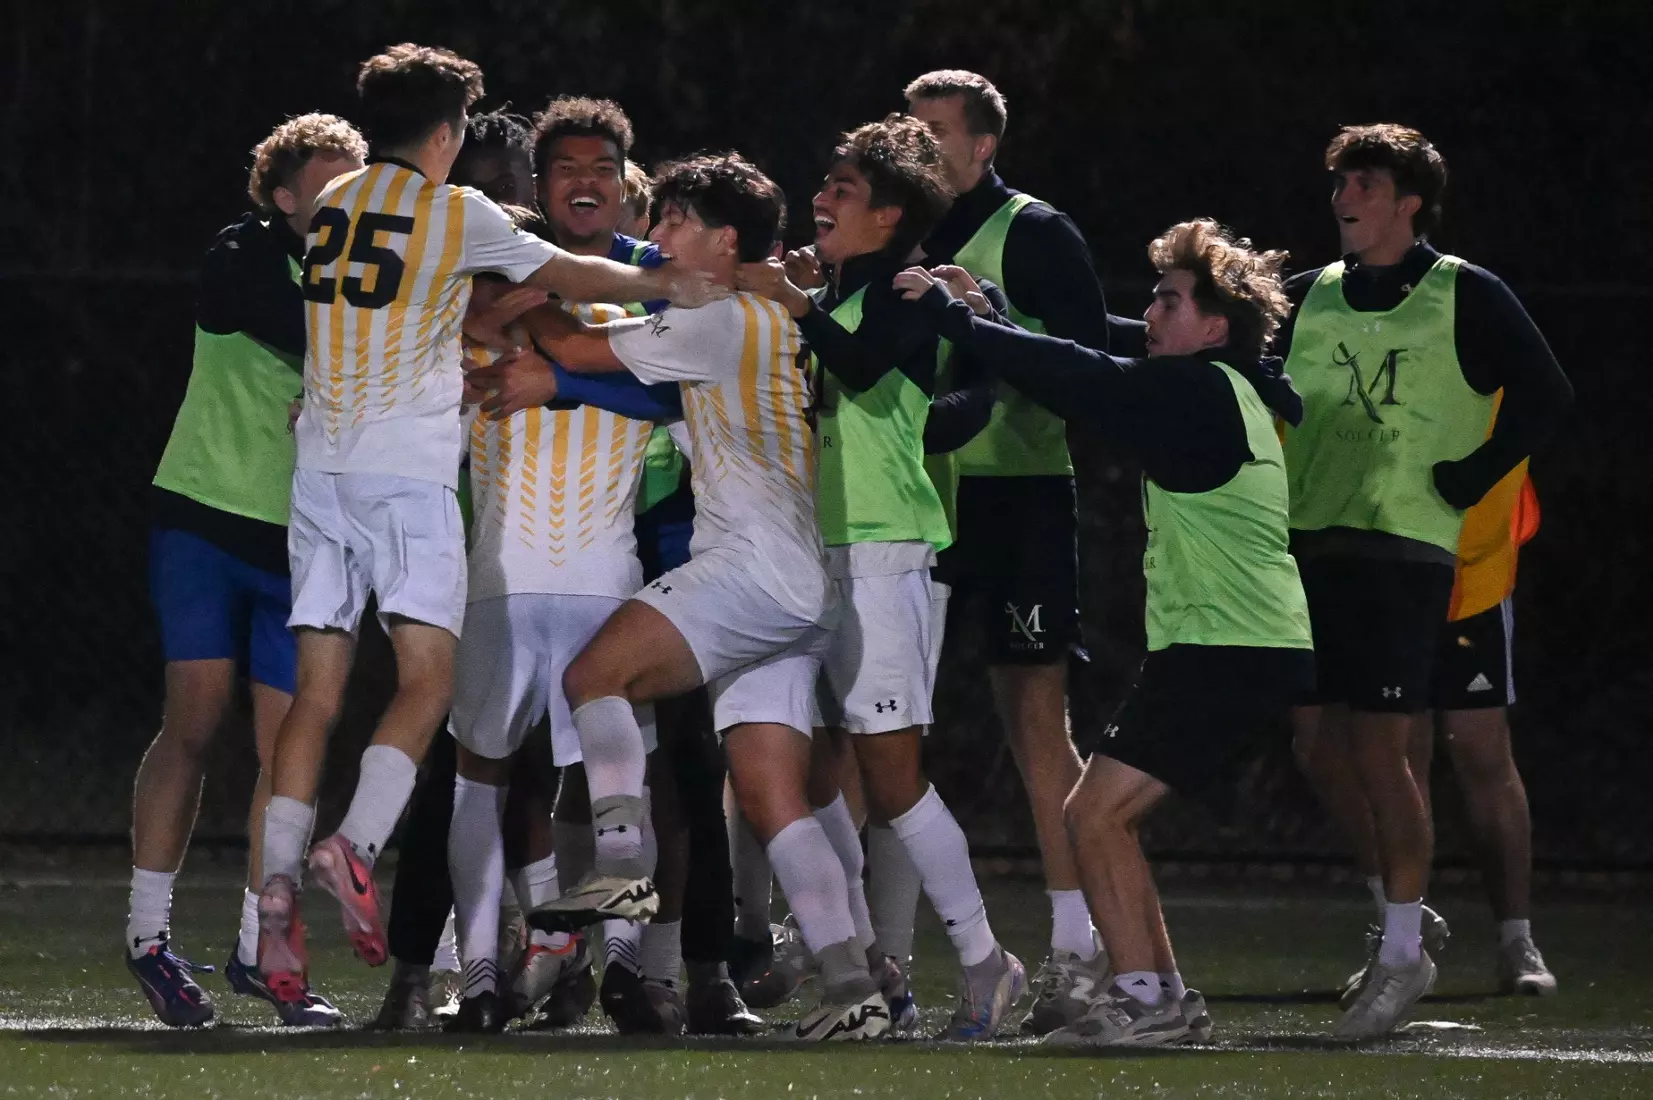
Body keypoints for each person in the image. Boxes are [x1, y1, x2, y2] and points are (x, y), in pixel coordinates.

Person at [254, 42, 721, 1005]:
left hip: (319, 477)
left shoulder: (333, 206)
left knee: (318, 691)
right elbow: (579, 275)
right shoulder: (456, 212)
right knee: (426, 687)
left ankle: (272, 899)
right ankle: (357, 845)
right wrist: (675, 288)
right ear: (446, 134)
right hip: (402, 477)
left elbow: (408, 313)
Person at [468, 152, 891, 1041]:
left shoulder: (729, 318)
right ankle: (854, 990)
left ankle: (622, 857)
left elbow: (581, 348)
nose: (654, 239)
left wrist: (526, 286)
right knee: (774, 799)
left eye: (672, 223)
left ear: (723, 239)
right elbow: (646, 381)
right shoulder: (754, 315)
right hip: (799, 583)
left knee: (593, 678)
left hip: (751, 571)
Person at [896, 218, 1312, 1046]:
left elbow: (1084, 375)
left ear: (1214, 328)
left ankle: (1142, 1000)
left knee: (1093, 816)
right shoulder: (1223, 386)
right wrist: (1002, 320)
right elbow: (1086, 361)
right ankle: (1160, 995)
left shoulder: (1194, 391)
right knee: (1098, 813)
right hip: (1230, 644)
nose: (1149, 314)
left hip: (1231, 647)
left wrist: (962, 324)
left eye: (1167, 301)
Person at [1280, 124, 1572, 1038]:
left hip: (1426, 555)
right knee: (1322, 742)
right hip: (1318, 543)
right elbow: (1228, 359)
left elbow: (1546, 395)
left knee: (1450, 750)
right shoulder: (1308, 298)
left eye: (1361, 182)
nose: (1342, 198)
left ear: (1408, 201)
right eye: (1337, 183)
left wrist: (1467, 478)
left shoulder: (1463, 292)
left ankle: (1503, 935)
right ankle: (1400, 913)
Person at [737, 114, 1025, 1040]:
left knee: (892, 780)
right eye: (823, 184)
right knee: (813, 772)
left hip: (881, 549)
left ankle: (986, 961)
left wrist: (796, 304)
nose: (820, 198)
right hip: (806, 550)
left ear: (891, 215)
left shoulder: (903, 291)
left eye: (843, 190)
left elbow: (861, 374)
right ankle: (868, 968)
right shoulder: (835, 287)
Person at [127, 113, 365, 1029]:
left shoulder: (361, 280)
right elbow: (305, 328)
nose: (346, 199)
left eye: (357, 182)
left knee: (286, 750)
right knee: (193, 717)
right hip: (204, 519)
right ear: (281, 196)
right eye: (328, 184)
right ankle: (149, 937)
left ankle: (257, 951)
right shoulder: (244, 253)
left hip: (302, 541)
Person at [903, 69, 1109, 1033]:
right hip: (917, 503)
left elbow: (1084, 372)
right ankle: (882, 964)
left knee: (1035, 723)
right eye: (911, 128)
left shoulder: (1034, 232)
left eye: (936, 130)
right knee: (887, 729)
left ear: (983, 145)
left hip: (1020, 499)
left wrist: (988, 323)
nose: (921, 143)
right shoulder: (894, 224)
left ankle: (1076, 949)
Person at [1421, 470, 1556, 995]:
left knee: (1481, 752)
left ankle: (1516, 940)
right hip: (1382, 565)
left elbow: (1546, 396)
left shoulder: (1495, 385)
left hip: (1470, 570)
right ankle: (1401, 942)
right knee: (1391, 752)